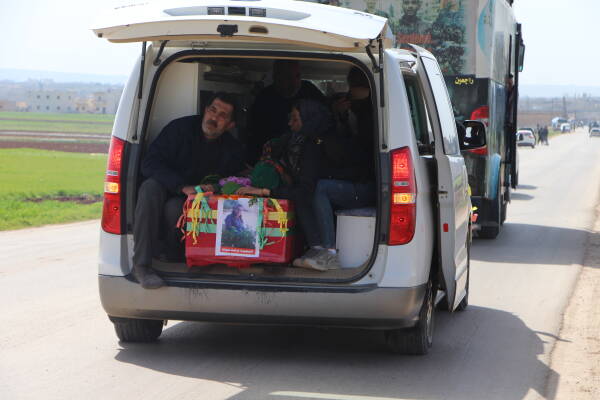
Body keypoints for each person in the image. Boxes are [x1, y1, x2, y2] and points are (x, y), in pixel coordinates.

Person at [132, 93, 246, 289]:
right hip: (167, 186)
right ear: (205, 110)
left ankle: (174, 258)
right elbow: (149, 164)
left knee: (175, 208)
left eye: (222, 115)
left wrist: (215, 187)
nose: (214, 117)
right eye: (212, 110)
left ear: (230, 125)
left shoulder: (232, 149)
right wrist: (181, 186)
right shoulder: (179, 129)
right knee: (149, 188)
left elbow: (233, 179)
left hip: (192, 199)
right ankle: (141, 266)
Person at [237, 99, 335, 269]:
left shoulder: (315, 146)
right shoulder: (293, 142)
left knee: (311, 192)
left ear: (309, 119)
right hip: (308, 192)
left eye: (295, 119)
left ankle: (329, 252)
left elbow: (305, 190)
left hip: (339, 191)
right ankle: (316, 248)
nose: (290, 124)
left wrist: (265, 191)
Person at [298, 67, 376, 271]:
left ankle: (329, 252)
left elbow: (354, 150)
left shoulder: (369, 113)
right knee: (307, 191)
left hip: (366, 183)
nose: (349, 94)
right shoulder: (356, 111)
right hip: (357, 178)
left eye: (353, 88)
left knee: (321, 188)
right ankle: (317, 248)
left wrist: (342, 117)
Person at [248, 60, 325, 162]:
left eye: (290, 77)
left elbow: (324, 122)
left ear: (299, 76)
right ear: (274, 77)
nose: (285, 83)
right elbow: (255, 133)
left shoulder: (310, 92)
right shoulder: (264, 98)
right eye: (281, 77)